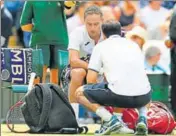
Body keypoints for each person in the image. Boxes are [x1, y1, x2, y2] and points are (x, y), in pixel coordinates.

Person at [76, 20, 151, 135]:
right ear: (120, 32)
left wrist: (100, 106)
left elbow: (91, 79)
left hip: (119, 96)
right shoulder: (134, 45)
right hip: (145, 98)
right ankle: (142, 118)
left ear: (103, 34)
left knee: (79, 93)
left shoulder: (100, 46)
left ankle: (110, 120)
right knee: (138, 85)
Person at [20, 1, 76, 84]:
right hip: (40, 42)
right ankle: (38, 96)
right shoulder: (31, 1)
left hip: (60, 41)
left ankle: (56, 96)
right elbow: (24, 25)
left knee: (59, 79)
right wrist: (40, 29)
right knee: (38, 77)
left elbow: (69, 6)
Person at [68, 5, 104, 119]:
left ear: (102, 22)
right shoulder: (77, 33)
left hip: (103, 71)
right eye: (89, 24)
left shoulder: (107, 34)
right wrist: (94, 69)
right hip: (79, 71)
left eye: (96, 24)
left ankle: (114, 118)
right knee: (78, 72)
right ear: (84, 22)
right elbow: (73, 61)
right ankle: (73, 117)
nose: (92, 28)